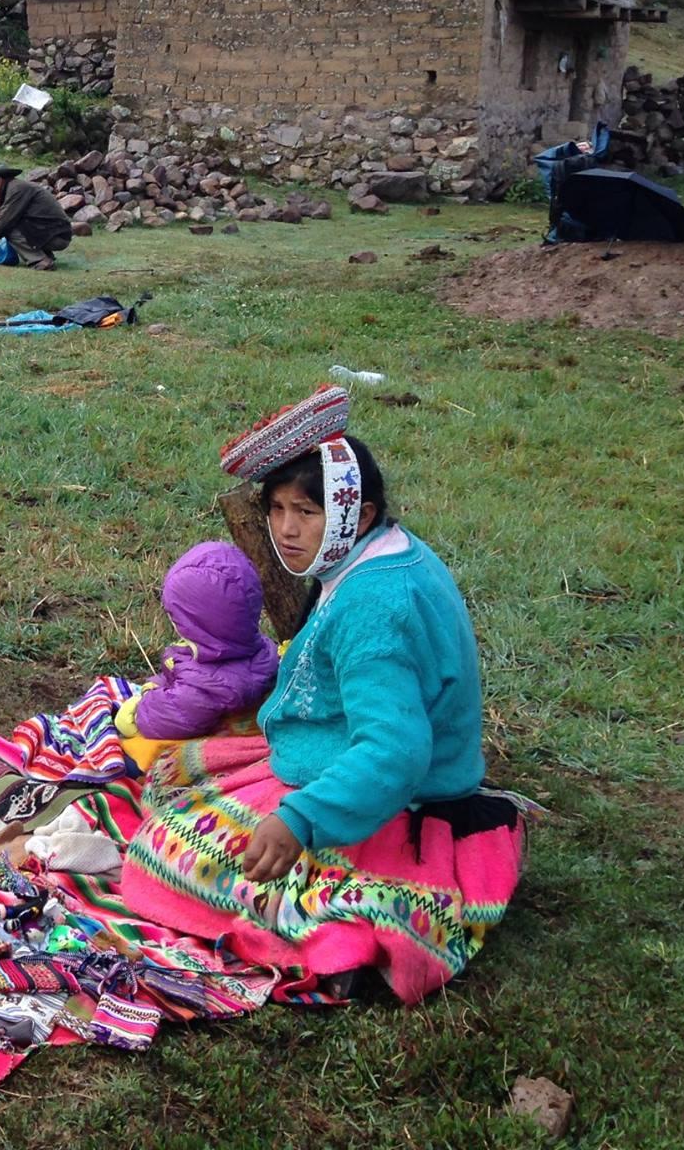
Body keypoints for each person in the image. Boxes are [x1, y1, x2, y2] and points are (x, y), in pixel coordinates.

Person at [121, 385, 529, 1004]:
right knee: (180, 782)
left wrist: (301, 821)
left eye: (307, 512)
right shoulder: (388, 555)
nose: (286, 530)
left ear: (357, 515)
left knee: (164, 854)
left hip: (401, 800)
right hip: (352, 761)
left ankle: (335, 941)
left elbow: (394, 752)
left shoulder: (373, 606)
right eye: (278, 508)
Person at [113, 542, 278, 769]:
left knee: (125, 762)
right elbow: (186, 679)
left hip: (196, 743)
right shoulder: (252, 647)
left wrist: (140, 711)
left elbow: (172, 717)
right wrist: (155, 684)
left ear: (205, 624)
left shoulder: (208, 684)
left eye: (177, 616)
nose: (172, 621)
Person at [0, 165, 72, 269]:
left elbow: (5, 221)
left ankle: (40, 260)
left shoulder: (16, 189)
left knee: (9, 230)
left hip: (58, 236)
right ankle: (46, 256)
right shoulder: (16, 187)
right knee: (18, 225)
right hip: (54, 232)